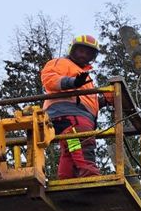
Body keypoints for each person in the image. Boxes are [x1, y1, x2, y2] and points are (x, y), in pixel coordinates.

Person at [40, 34, 110, 179]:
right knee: (83, 141)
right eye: (80, 51)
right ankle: (90, 176)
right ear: (72, 50)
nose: (84, 55)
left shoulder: (83, 75)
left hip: (74, 116)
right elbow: (50, 79)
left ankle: (67, 180)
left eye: (88, 53)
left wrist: (104, 100)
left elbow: (85, 100)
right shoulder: (61, 63)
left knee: (72, 147)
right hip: (68, 114)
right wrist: (72, 82)